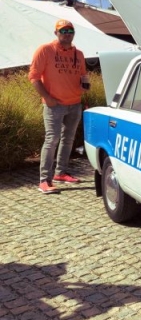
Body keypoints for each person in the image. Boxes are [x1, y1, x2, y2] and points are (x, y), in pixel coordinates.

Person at [29, 19, 89, 194]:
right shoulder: (45, 50)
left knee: (68, 139)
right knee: (52, 140)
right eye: (63, 31)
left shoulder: (79, 54)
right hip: (54, 105)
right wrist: (47, 98)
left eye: (70, 31)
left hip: (74, 104)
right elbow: (33, 77)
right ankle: (44, 181)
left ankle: (60, 173)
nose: (67, 34)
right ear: (56, 33)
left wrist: (84, 85)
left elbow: (83, 75)